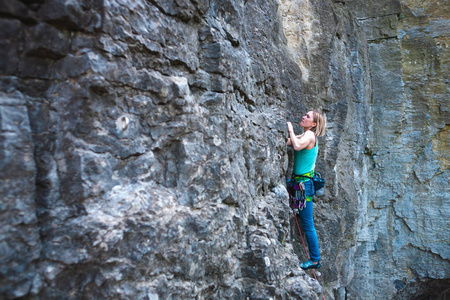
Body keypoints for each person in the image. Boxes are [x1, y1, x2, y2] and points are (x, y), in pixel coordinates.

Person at [286, 110, 326, 270]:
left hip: (304, 185)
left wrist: (290, 129)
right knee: (305, 220)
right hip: (299, 183)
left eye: (308, 117)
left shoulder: (309, 136)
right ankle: (314, 259)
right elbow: (291, 142)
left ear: (314, 124)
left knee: (308, 223)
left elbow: (295, 145)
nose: (303, 117)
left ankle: (315, 260)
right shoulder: (306, 136)